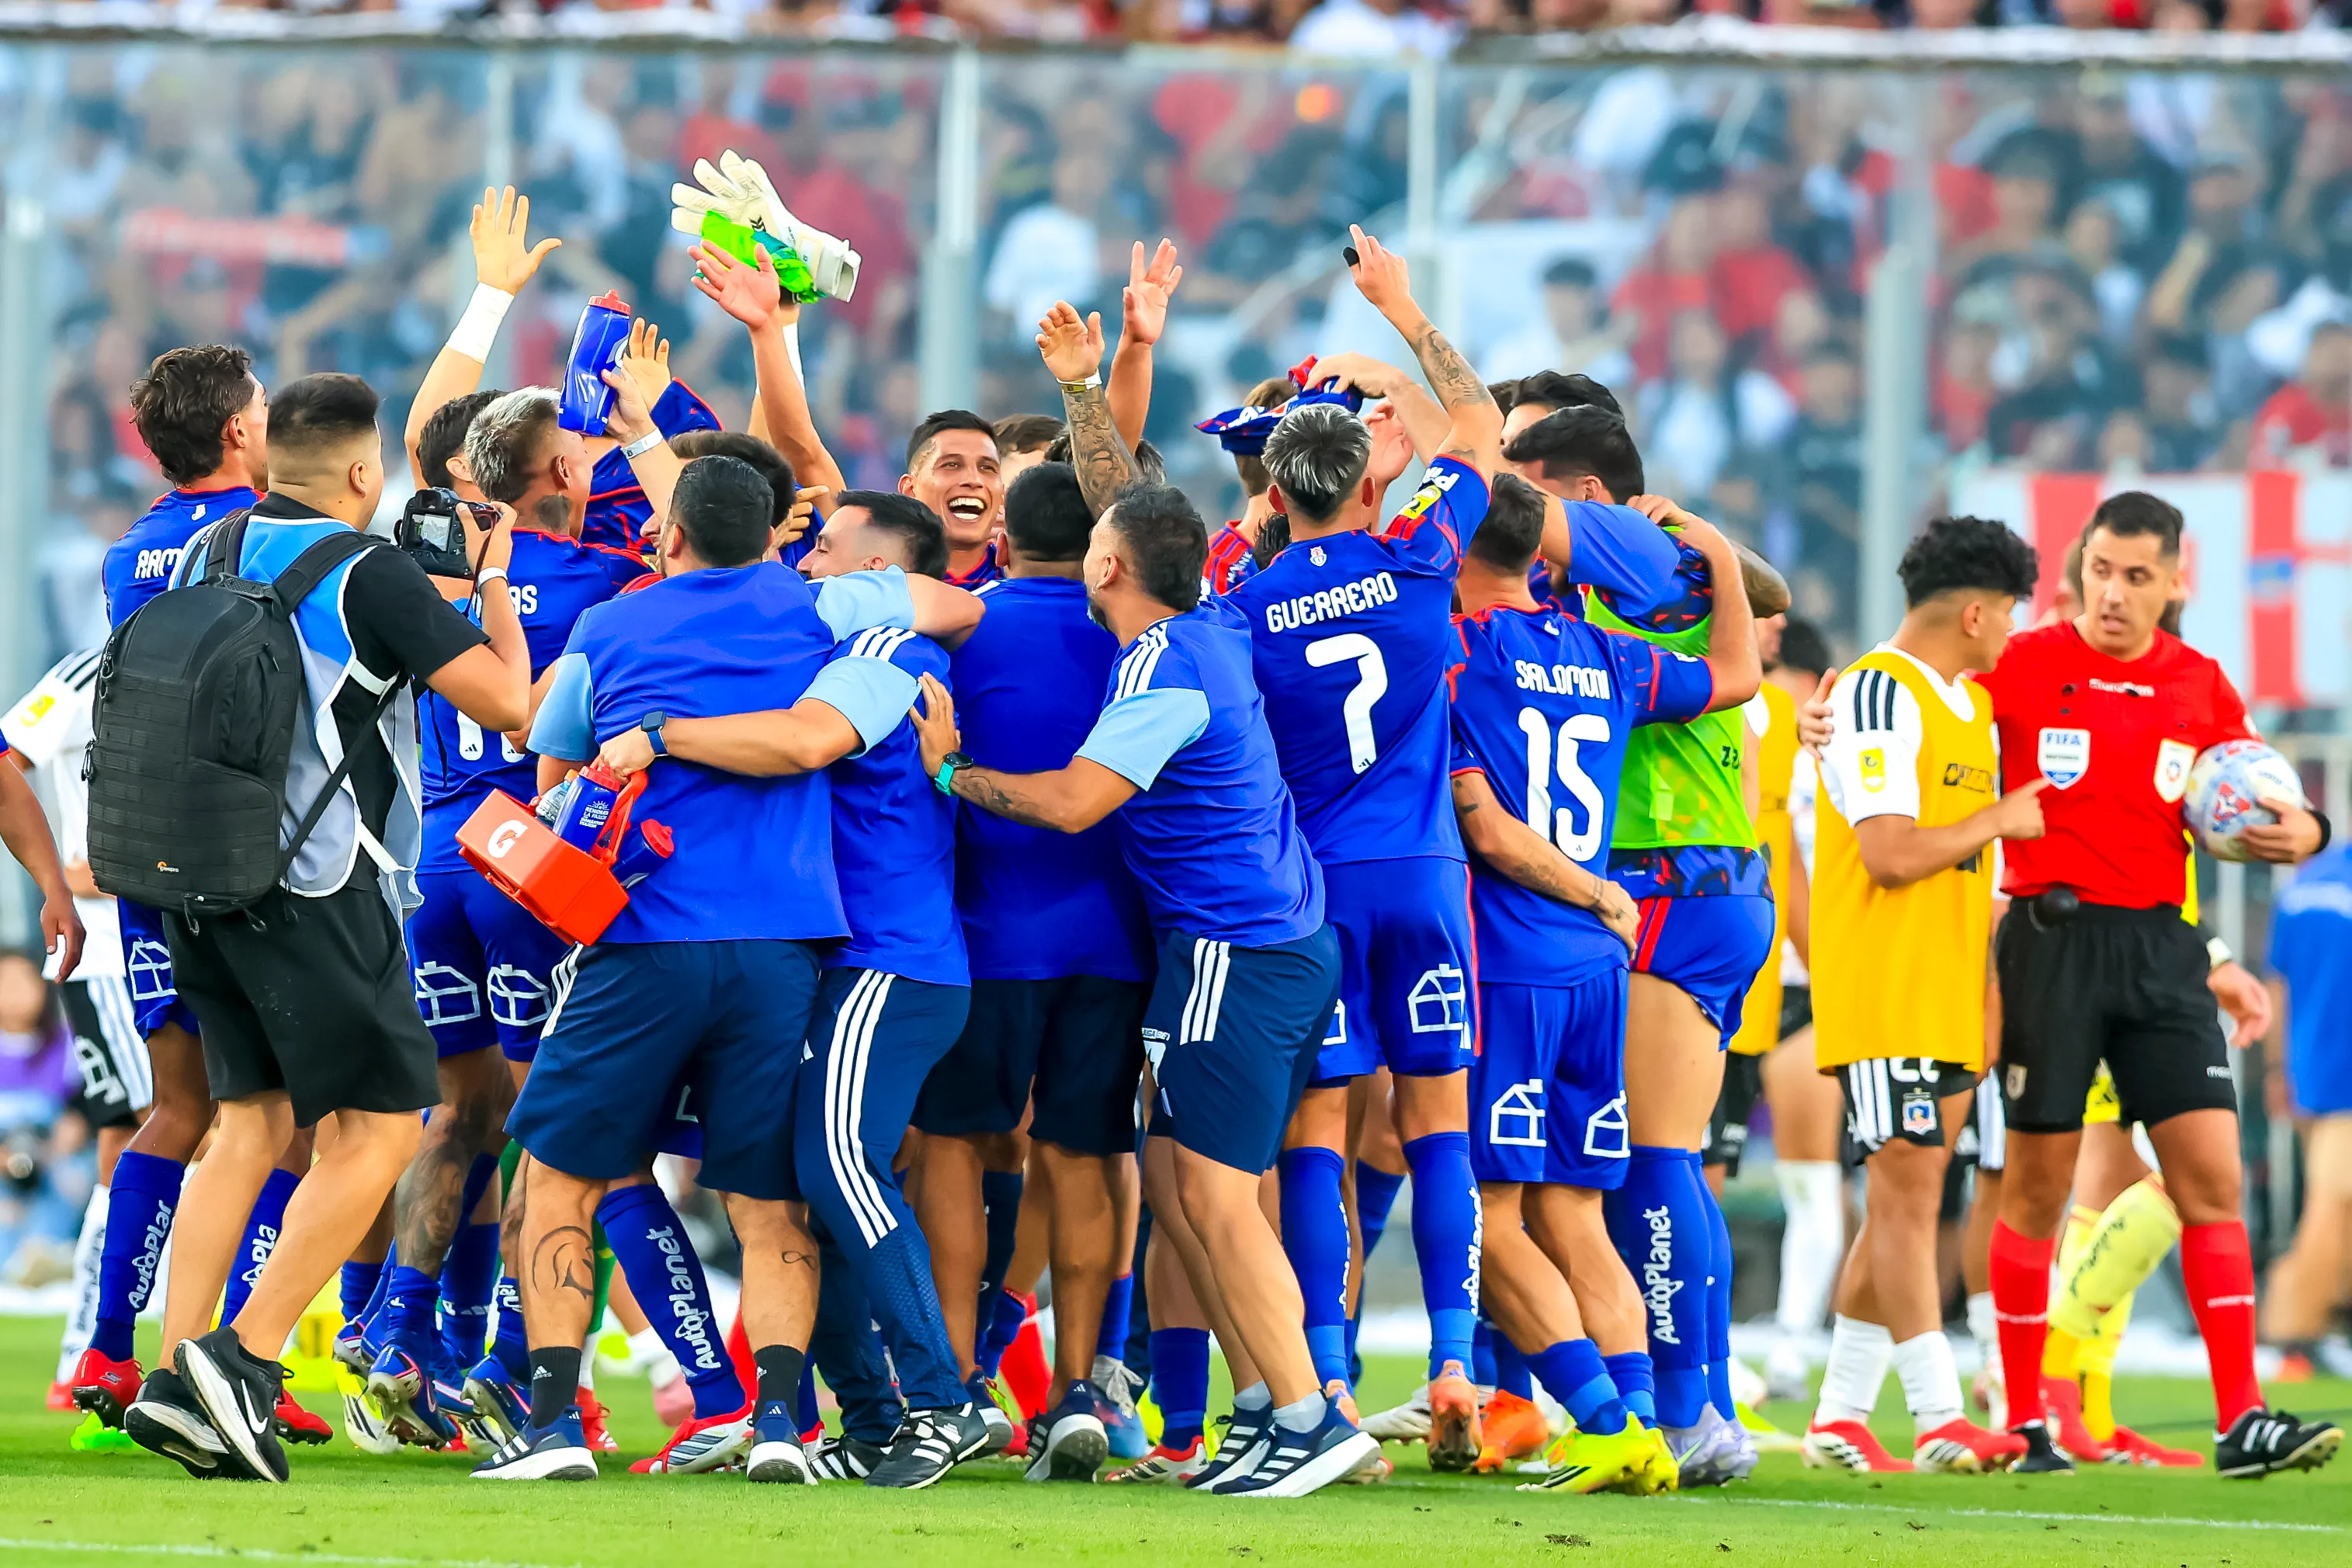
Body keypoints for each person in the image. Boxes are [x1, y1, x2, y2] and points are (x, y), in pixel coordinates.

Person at [1205, 229, 1678, 1469]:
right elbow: (1475, 425)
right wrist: (1402, 314)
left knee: (1315, 1133)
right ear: (1369, 486)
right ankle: (1462, 1363)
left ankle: (1329, 1380)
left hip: (1309, 894)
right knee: (1436, 1134)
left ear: (1272, 499)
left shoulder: (1243, 611)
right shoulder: (1419, 561)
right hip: (1426, 887)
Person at [485, 453, 984, 1486]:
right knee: (767, 1200)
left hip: (642, 936)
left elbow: (549, 758)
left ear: (669, 537)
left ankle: (550, 1427)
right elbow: (949, 606)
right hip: (787, 948)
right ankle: (774, 1425)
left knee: (557, 1179)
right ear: (770, 537)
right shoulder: (827, 609)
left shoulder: (610, 626)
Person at [911, 480, 1376, 1498]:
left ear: (1108, 567)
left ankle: (1306, 1418)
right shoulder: (1202, 623)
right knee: (1178, 1184)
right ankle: (1264, 1414)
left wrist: (949, 772)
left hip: (1229, 953)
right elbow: (1134, 500)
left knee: (1211, 1195)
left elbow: (1077, 803)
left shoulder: (1165, 666)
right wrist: (1088, 389)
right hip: (1273, 941)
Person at [121, 373, 535, 1486]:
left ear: (267, 464)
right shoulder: (371, 569)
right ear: (364, 475)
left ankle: (175, 1375)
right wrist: (492, 586)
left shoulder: (212, 549)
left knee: (246, 1124)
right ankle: (245, 1368)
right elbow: (510, 705)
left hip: (199, 872)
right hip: (315, 877)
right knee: (388, 1128)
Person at [1977, 491, 2341, 1477]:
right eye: (2101, 570)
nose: (2114, 594)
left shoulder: (2201, 685)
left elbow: (2282, 801)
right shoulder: (2025, 663)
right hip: (2050, 945)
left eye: (2138, 577)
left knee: (2211, 1179)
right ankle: (2025, 1418)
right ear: (2079, 568)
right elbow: (1929, 703)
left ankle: (2242, 1419)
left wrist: (2301, 834)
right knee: (2040, 1191)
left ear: (2176, 584)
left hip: (2163, 951)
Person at [1448, 472, 1759, 1495]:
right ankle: (1643, 1422)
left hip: (1513, 962)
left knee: (1489, 1216)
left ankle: (1600, 1417)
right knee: (1577, 1215)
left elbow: (1485, 828)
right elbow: (1734, 675)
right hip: (1597, 968)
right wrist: (1712, 553)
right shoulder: (1606, 654)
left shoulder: (1456, 652)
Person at [367, 376, 658, 1450]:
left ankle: (398, 1329)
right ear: (567, 473)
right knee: (558, 1128)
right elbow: (707, 550)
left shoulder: (424, 578)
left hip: (436, 868)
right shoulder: (614, 580)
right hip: (533, 869)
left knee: (461, 1116)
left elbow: (423, 441)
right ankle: (511, 1360)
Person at [1505, 397, 1789, 1486]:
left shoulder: (1629, 565)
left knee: (1647, 1160)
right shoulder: (1651, 566)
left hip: (1667, 878)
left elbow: (1765, 600)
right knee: (1661, 1155)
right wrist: (1709, 543)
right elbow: (1771, 594)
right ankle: (1704, 1401)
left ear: (1575, 496)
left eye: (1525, 488)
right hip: (1704, 881)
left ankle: (1685, 1413)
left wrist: (1697, 542)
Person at [904, 463, 1159, 1480]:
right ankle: (1079, 1389)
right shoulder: (1141, 636)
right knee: (1083, 1157)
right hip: (1116, 939)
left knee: (954, 1151)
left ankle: (960, 1380)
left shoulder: (963, 629)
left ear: (1002, 535)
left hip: (989, 936)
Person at [1799, 515, 2041, 1476]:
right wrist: (1999, 816)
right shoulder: (1873, 693)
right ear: (1976, 611)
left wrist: (1984, 994)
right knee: (1907, 1198)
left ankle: (1839, 1414)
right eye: (2011, 613)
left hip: (1943, 989)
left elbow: (1965, 875)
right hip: (1886, 988)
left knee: (1903, 1200)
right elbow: (1890, 853)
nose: (2013, 631)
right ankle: (1942, 1416)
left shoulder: (1967, 707)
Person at [71, 345, 273, 1438]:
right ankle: (234, 1360)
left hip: (149, 855)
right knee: (281, 1121)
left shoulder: (128, 553)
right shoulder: (267, 542)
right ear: (240, 433)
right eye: (260, 405)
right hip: (246, 860)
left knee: (179, 1107)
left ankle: (109, 1350)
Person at [4, 651, 134, 1417]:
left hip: (176, 940)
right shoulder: (87, 669)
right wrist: (65, 874)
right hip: (107, 950)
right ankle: (89, 1347)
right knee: (142, 1134)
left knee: (206, 1130)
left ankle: (97, 1348)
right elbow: (8, 755)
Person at [2263, 841, 2352, 1380]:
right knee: (2332, 1201)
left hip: (2307, 1071)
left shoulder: (2302, 887)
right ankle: (2293, 1332)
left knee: (2333, 1200)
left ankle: (2315, 1320)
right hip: (2343, 1077)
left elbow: (2278, 986)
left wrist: (2277, 1071)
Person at [901, 411, 1006, 588]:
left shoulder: (1027, 580)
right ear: (911, 490)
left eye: (987, 468)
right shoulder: (881, 586)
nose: (974, 480)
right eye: (952, 465)